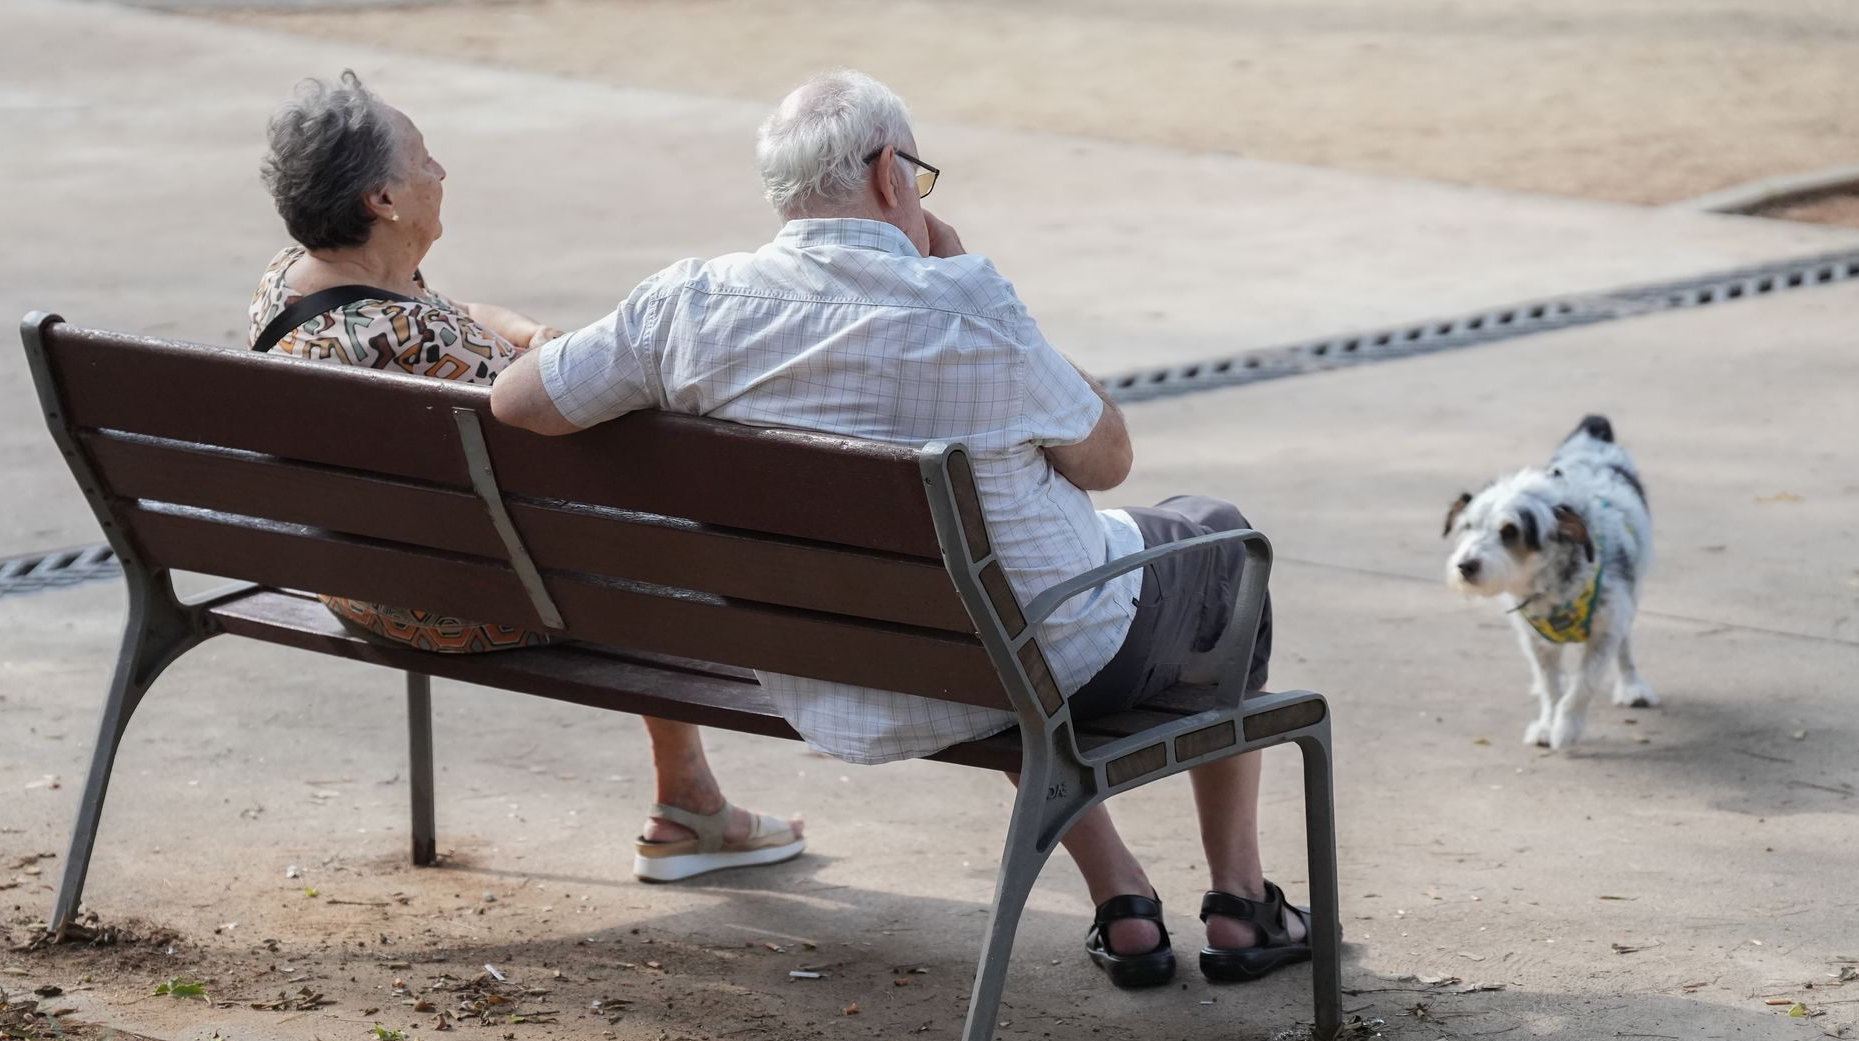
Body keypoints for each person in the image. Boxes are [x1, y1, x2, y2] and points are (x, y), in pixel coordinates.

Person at [493, 69, 1310, 988]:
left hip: (843, 663)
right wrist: (979, 289)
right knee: (1220, 543)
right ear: (890, 174)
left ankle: (1121, 897)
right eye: (916, 177)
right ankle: (1241, 904)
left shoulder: (687, 304)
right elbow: (1108, 459)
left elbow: (519, 401)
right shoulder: (969, 310)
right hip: (1032, 654)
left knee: (984, 593)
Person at [250, 71, 803, 883]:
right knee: (650, 524)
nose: (442, 173)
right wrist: (553, 355)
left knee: (613, 525)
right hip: (466, 604)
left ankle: (689, 796)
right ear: (384, 201)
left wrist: (531, 333)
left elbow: (458, 315)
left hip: (357, 577)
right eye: (425, 161)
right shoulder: (423, 343)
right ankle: (689, 806)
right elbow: (569, 411)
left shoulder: (301, 285)